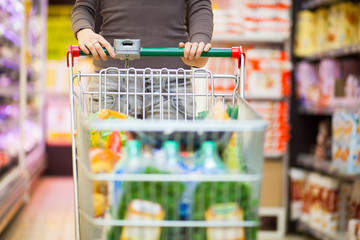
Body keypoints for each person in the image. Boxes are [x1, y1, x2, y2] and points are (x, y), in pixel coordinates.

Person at [71, 0, 214, 119]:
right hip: (112, 81)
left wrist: (199, 42)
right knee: (109, 151)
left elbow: (199, 5)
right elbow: (84, 6)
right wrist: (84, 31)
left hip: (171, 82)